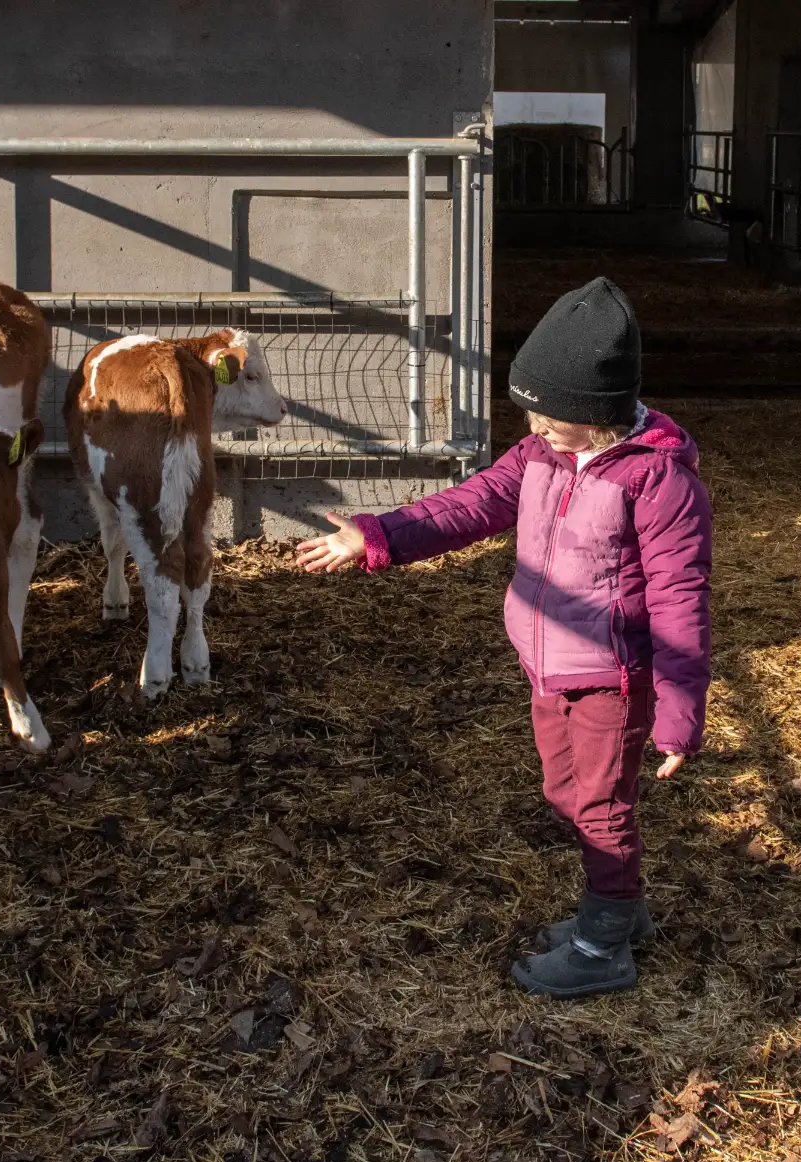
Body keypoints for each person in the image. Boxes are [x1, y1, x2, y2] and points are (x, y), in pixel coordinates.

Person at [296, 277, 712, 998]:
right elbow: (470, 504)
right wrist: (378, 535)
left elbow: (680, 598)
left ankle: (602, 943)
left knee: (600, 807)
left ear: (599, 412)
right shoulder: (541, 458)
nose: (534, 430)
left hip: (611, 676)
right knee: (564, 790)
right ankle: (624, 909)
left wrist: (679, 711)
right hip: (548, 663)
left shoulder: (657, 482)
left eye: (550, 418)